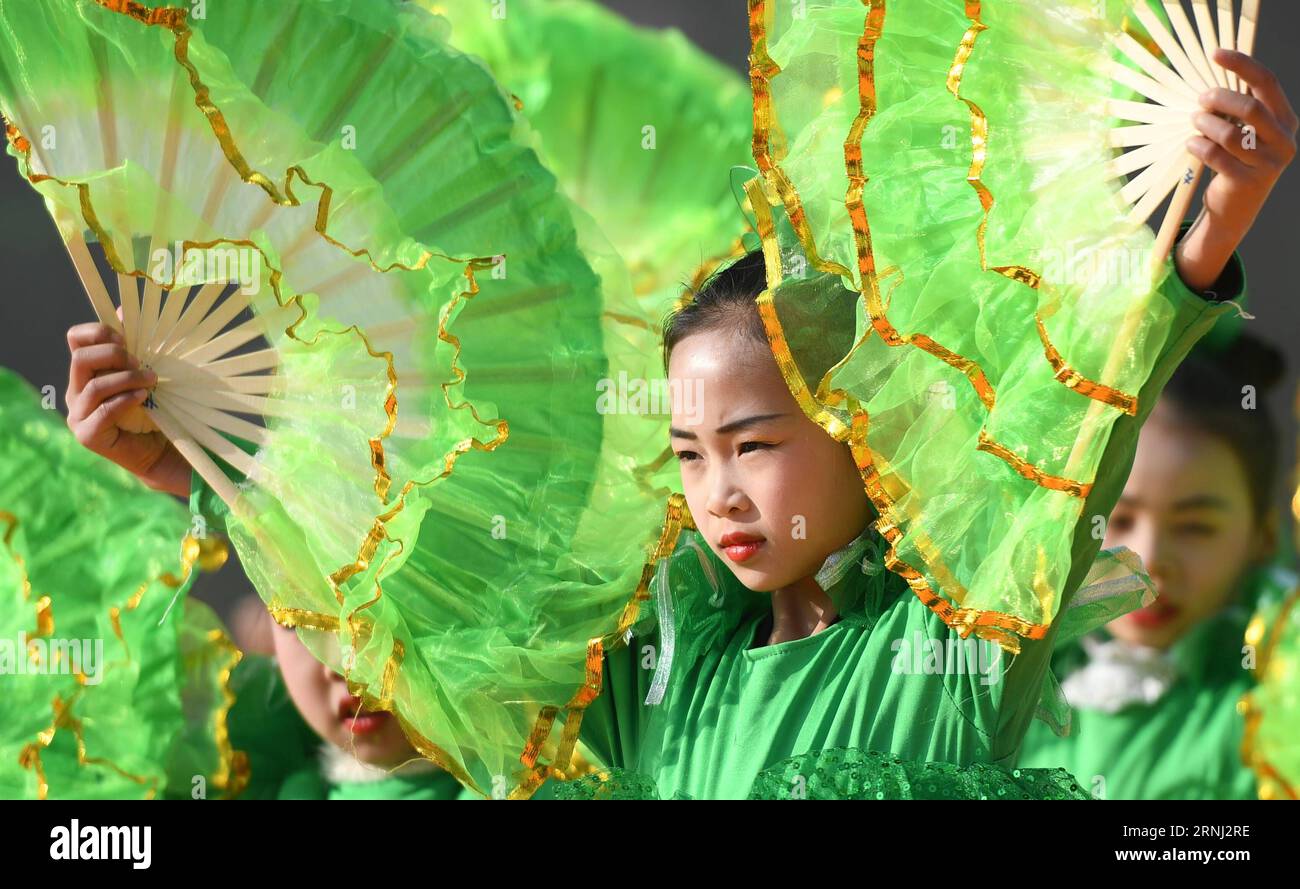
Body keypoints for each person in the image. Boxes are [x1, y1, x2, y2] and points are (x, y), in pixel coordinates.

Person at [1018, 332, 1297, 799]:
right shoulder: (1004, 688)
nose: (1147, 564)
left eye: (1195, 527)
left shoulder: (1276, 702)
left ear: (1263, 537)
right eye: (1118, 519)